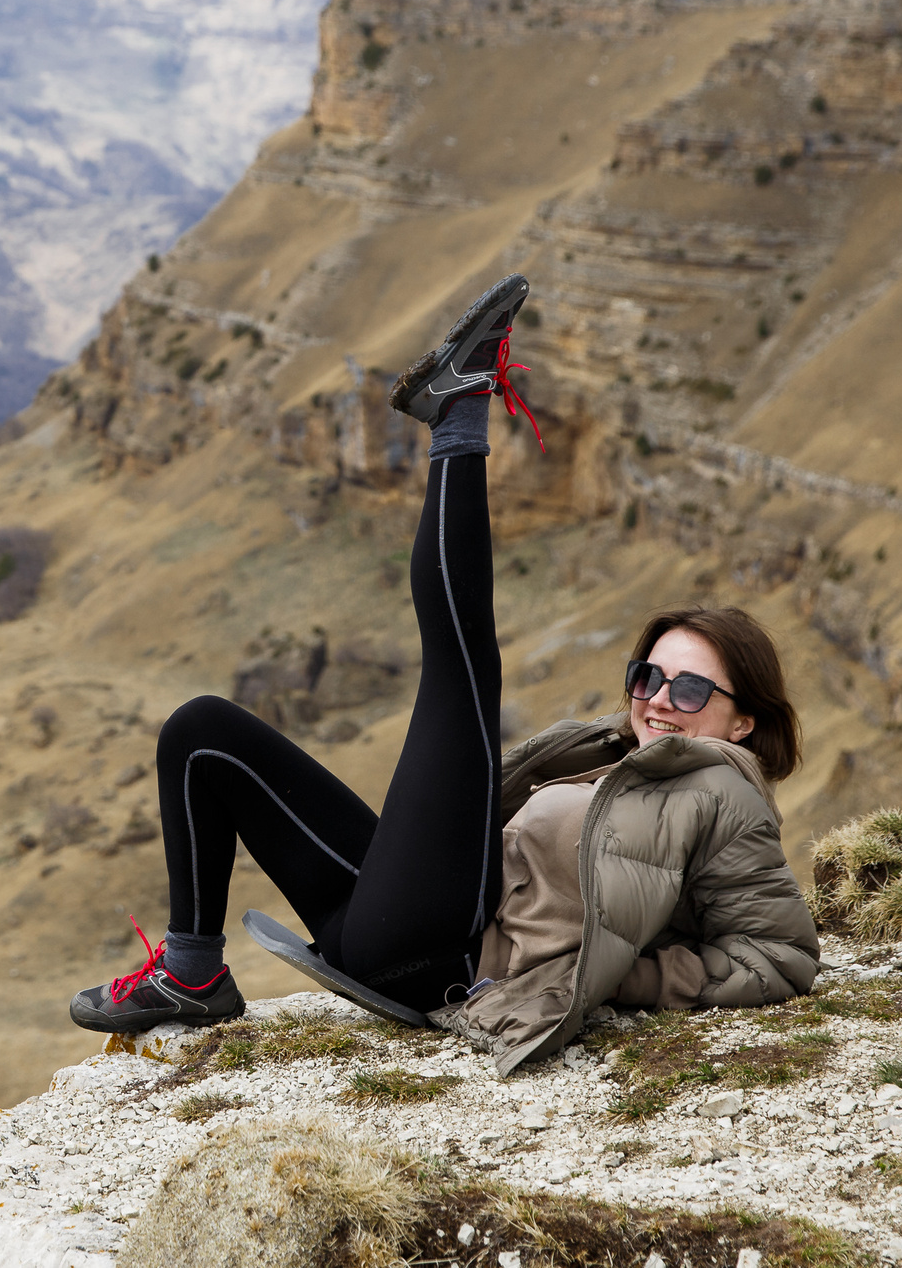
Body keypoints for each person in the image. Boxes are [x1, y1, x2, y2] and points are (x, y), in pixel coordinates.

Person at [66, 273, 819, 1077]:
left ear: (744, 718)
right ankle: (192, 971)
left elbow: (777, 958)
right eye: (648, 676)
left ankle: (460, 411)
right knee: (202, 732)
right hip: (397, 920)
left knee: (463, 671)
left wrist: (607, 975)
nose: (660, 700)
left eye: (691, 688)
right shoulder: (614, 753)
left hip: (447, 956)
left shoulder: (727, 792)